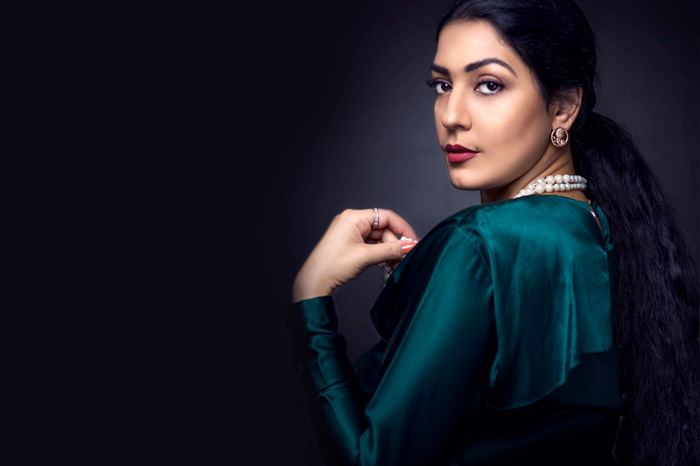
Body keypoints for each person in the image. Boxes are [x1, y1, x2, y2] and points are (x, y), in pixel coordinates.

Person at [285, 0, 700, 464]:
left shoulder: (476, 244)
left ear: (563, 107)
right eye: (443, 85)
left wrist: (310, 298)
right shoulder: (607, 229)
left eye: (489, 84)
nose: (451, 115)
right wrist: (434, 301)